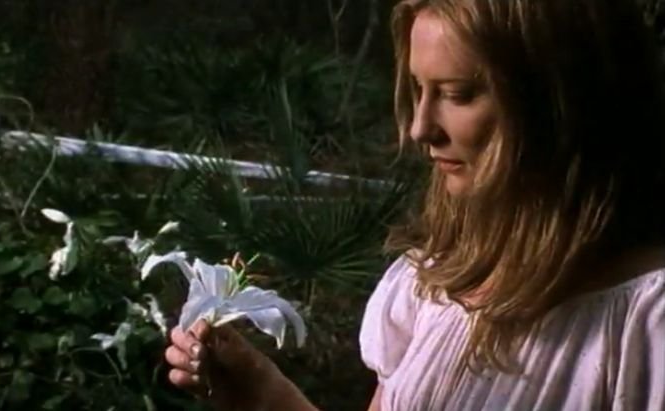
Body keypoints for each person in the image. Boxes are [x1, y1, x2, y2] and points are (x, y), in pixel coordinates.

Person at [164, 0, 665, 409]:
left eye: (457, 94)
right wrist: (264, 396)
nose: (421, 128)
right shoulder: (434, 285)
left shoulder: (646, 327)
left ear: (558, 103)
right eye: (419, 90)